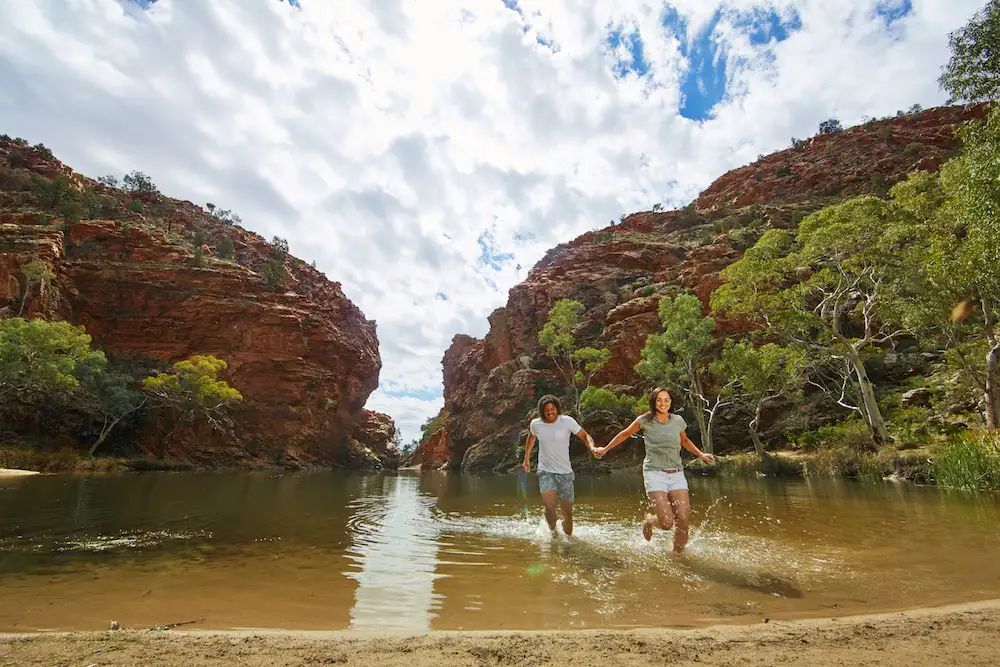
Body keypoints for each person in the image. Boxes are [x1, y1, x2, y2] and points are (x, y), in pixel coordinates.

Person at [595, 387, 715, 553]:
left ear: (671, 403)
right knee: (666, 523)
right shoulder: (644, 420)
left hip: (677, 474)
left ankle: (678, 560)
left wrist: (701, 454)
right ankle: (650, 520)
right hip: (654, 473)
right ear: (653, 401)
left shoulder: (678, 421)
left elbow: (685, 440)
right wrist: (605, 449)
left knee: (683, 520)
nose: (663, 403)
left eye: (666, 400)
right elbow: (625, 434)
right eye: (659, 400)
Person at [521, 394, 598, 536]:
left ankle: (568, 541)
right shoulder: (536, 424)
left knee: (568, 515)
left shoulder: (567, 422)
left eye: (553, 409)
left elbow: (585, 435)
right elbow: (531, 439)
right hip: (545, 472)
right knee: (549, 507)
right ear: (542, 412)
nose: (550, 412)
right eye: (546, 410)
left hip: (565, 473)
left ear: (557, 408)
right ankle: (553, 532)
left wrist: (592, 448)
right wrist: (526, 459)